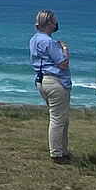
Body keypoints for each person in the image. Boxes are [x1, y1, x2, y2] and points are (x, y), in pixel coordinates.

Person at [28, 10, 72, 163]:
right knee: (58, 119)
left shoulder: (34, 39)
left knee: (61, 118)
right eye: (54, 21)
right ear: (49, 24)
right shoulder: (48, 42)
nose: (56, 24)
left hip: (42, 80)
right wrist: (65, 50)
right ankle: (57, 153)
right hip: (55, 81)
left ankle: (62, 150)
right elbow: (63, 63)